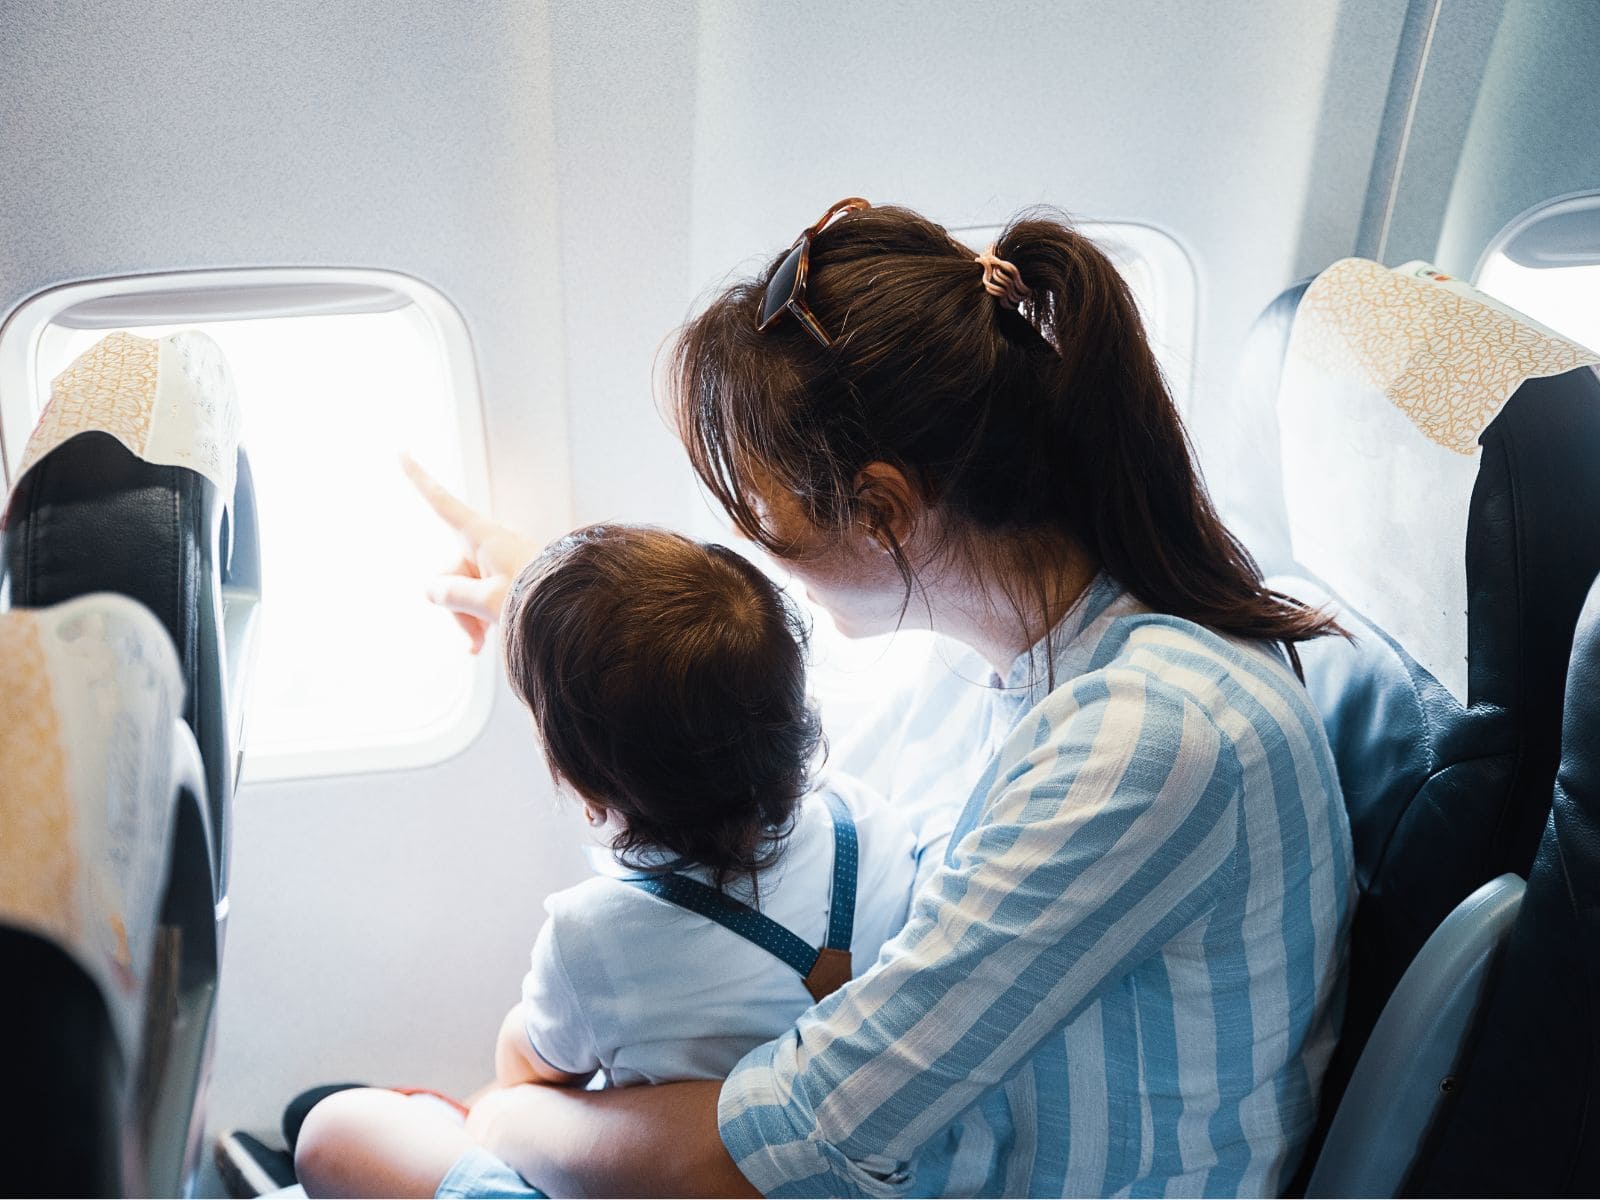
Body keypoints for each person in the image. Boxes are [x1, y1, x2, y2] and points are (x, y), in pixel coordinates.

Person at [410, 200, 1356, 1198]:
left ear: (882, 511)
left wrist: (505, 1116)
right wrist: (551, 616)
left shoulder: (1149, 744)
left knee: (355, 1137)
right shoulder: (997, 653)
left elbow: (775, 1147)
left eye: (762, 514)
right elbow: (714, 759)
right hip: (946, 1162)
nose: (761, 555)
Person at [293, 524, 918, 1197]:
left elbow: (528, 1068)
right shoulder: (867, 819)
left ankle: (434, 1123)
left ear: (585, 785)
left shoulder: (596, 935)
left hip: (659, 1175)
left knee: (334, 1128)